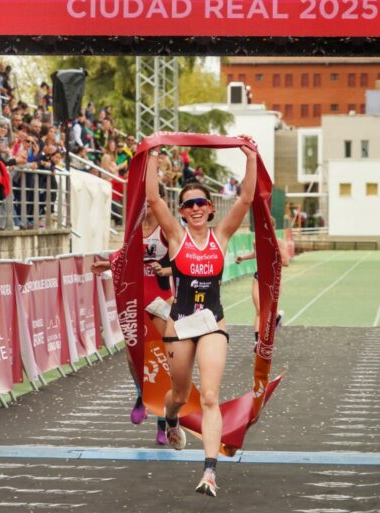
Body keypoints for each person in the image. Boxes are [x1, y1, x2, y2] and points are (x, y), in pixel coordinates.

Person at [146, 138, 257, 497]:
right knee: (178, 393)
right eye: (188, 204)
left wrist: (251, 159)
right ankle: (171, 420)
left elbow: (245, 199)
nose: (194, 208)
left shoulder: (221, 236)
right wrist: (151, 156)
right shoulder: (177, 237)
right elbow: (153, 200)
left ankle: (209, 471)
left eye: (200, 203)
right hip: (180, 325)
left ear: (210, 208)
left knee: (209, 395)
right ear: (182, 211)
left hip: (212, 324)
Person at [92, 201, 173, 446]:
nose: (147, 204)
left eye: (152, 201)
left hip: (160, 300)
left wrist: (166, 270)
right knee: (132, 357)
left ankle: (162, 422)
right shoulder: (134, 229)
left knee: (159, 360)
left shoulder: (167, 229)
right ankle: (141, 395)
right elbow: (124, 257)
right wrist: (107, 264)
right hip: (136, 298)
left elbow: (183, 262)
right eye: (144, 201)